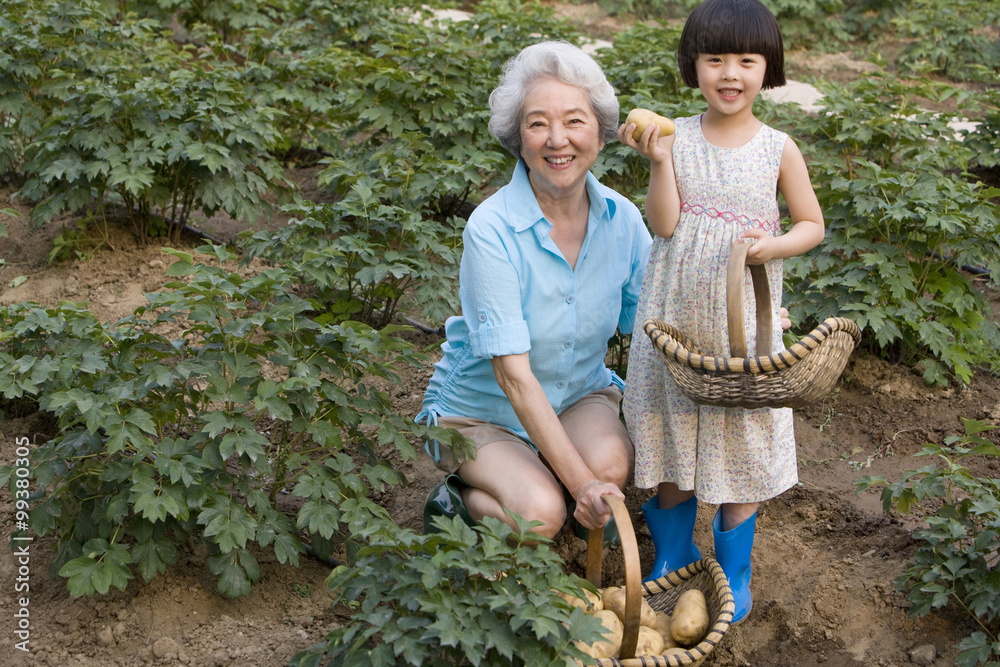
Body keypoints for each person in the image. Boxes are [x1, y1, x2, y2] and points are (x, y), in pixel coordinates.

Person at [618, 0, 825, 624]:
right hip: (676, 316)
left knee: (740, 436)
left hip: (742, 323)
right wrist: (658, 163)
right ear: (694, 66)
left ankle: (734, 570)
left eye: (746, 60)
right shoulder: (675, 136)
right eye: (714, 59)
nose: (729, 73)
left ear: (769, 69)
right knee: (672, 425)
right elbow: (664, 224)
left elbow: (811, 223)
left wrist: (776, 244)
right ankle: (672, 558)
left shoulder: (777, 147)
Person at [416, 41, 654, 541]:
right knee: (541, 515)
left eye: (574, 121)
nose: (557, 140)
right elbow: (514, 378)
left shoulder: (624, 220)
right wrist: (580, 483)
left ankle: (555, 474)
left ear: (601, 132)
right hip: (482, 412)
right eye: (537, 123)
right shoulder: (491, 229)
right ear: (517, 138)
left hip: (577, 392)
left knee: (610, 468)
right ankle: (458, 503)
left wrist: (746, 320)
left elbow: (658, 319)